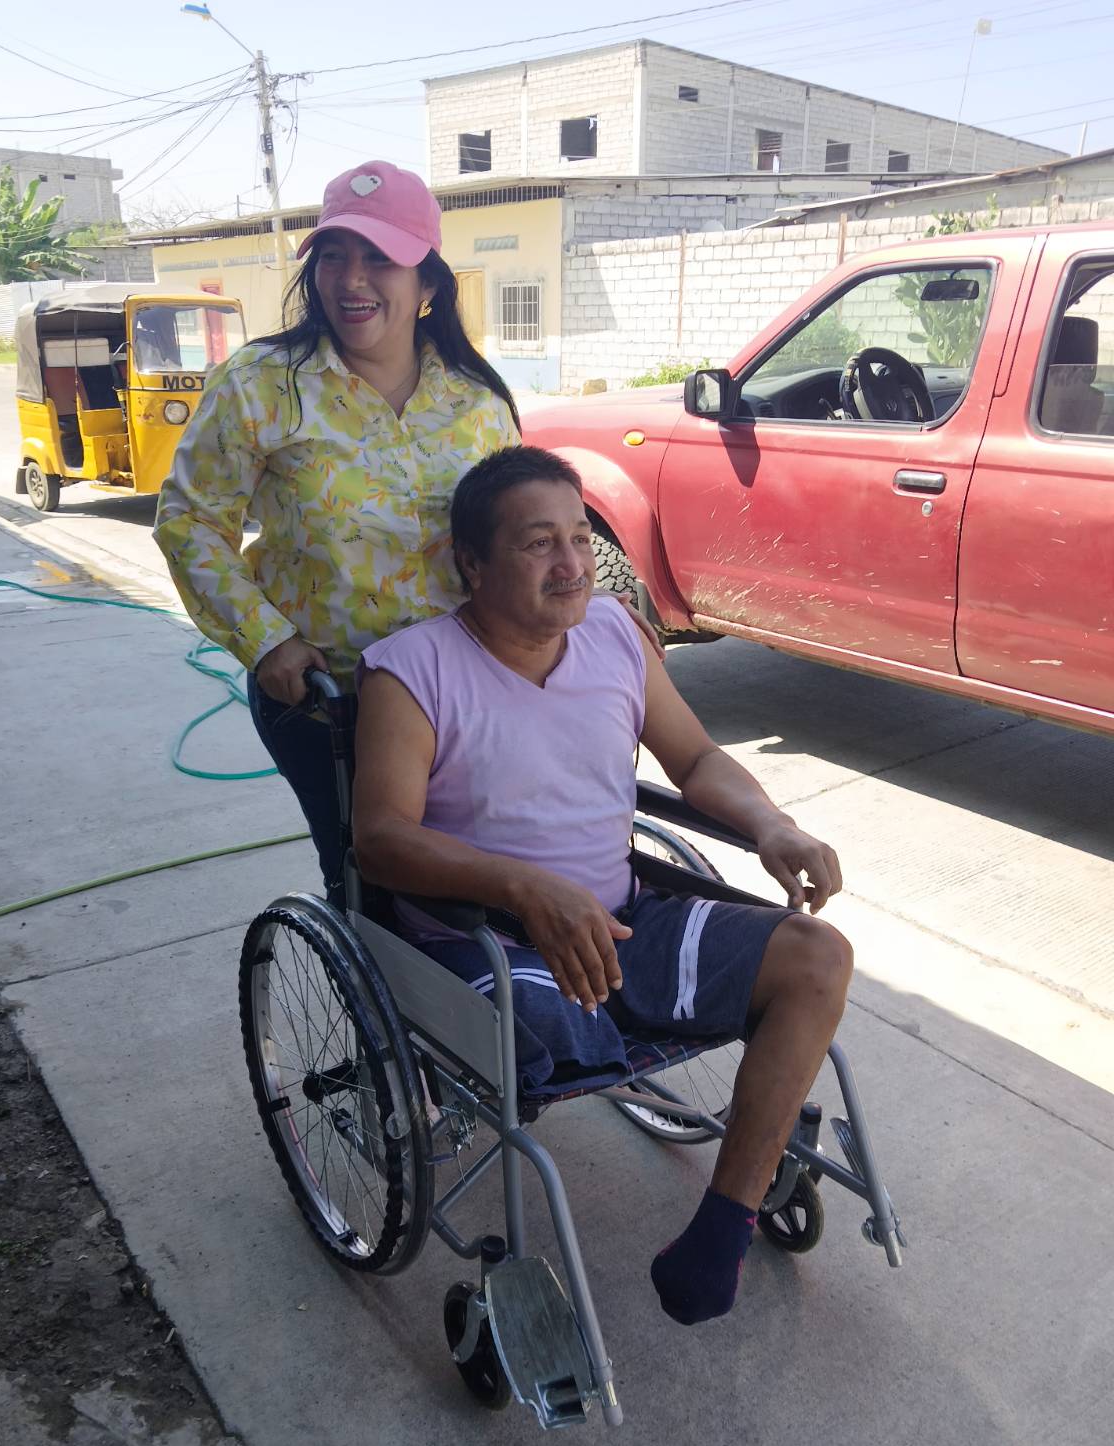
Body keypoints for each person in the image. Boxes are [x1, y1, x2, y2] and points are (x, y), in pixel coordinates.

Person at [350, 445, 852, 1327]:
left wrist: (772, 824)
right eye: (538, 543)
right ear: (473, 563)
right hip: (486, 941)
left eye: (580, 537)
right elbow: (381, 839)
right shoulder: (412, 670)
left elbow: (695, 759)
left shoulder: (617, 636)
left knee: (816, 958)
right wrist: (523, 889)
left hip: (619, 921)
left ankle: (722, 1228)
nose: (572, 563)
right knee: (558, 1045)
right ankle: (600, 1033)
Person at [153, 160, 522, 903]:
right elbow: (192, 523)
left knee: (482, 881)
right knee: (372, 885)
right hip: (329, 701)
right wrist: (268, 643)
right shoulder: (262, 384)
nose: (351, 279)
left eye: (379, 258)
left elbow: (521, 535)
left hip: (464, 696)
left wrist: (586, 618)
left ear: (427, 283)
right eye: (333, 255)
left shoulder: (478, 402)